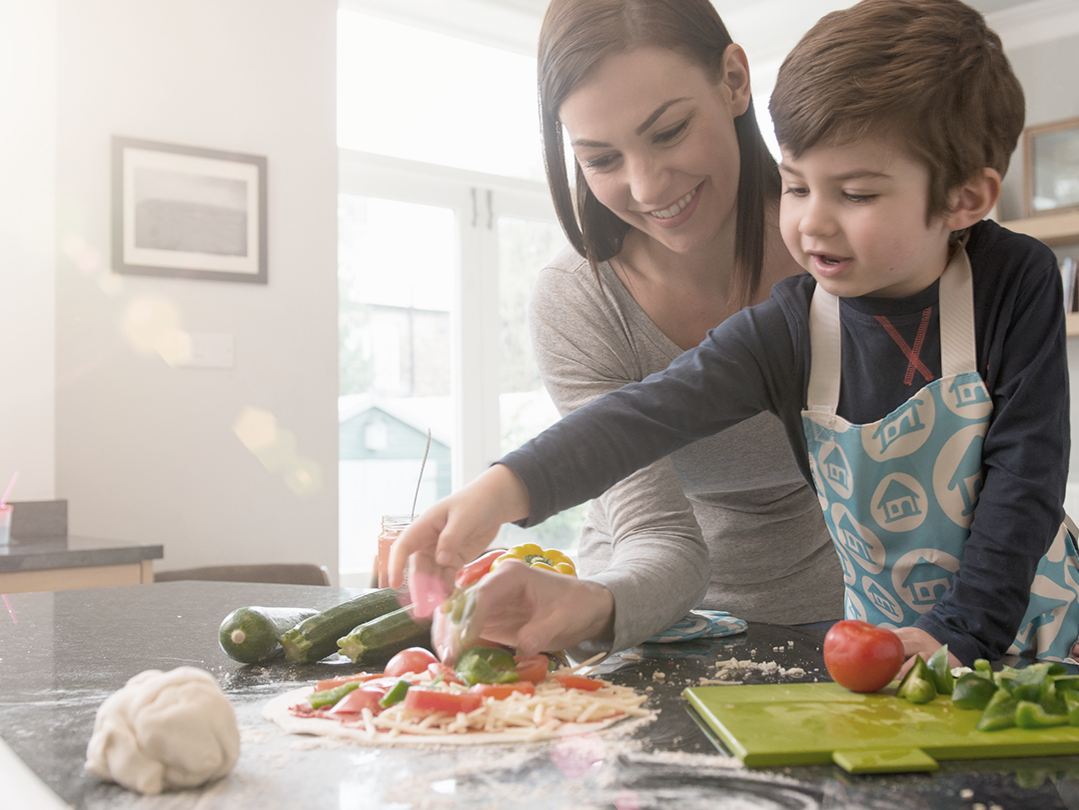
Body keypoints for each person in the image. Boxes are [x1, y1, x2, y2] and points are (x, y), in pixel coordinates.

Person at [393, 0, 1079, 668]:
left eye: (857, 194)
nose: (811, 223)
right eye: (796, 186)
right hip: (888, 651)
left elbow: (1026, 473)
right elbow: (642, 415)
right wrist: (497, 491)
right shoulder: (793, 322)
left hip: (1029, 629)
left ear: (964, 197)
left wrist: (963, 632)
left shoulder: (1012, 279)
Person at [431, 0, 845, 660]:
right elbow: (659, 536)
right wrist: (592, 606)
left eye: (668, 131)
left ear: (734, 80)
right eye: (599, 159)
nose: (647, 187)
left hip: (841, 622)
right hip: (638, 621)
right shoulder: (578, 301)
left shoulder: (841, 248)